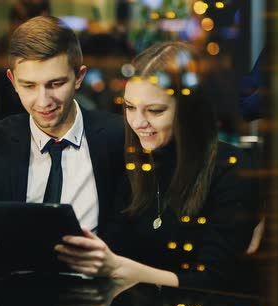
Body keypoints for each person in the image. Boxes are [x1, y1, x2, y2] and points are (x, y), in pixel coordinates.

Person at [0, 15, 125, 265]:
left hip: (99, 293)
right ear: (12, 81)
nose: (43, 101)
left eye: (56, 84)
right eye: (29, 86)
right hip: (8, 295)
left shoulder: (120, 138)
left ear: (79, 77)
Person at [55, 41, 259, 291]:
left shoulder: (230, 170)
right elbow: (115, 246)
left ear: (188, 111)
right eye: (130, 108)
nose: (138, 122)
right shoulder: (137, 162)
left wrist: (122, 269)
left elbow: (214, 280)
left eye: (155, 110)